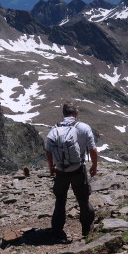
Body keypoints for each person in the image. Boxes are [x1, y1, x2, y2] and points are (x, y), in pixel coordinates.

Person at [45, 102, 97, 240]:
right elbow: (92, 149)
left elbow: (48, 151)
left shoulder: (54, 129)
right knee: (83, 199)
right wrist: (94, 166)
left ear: (63, 114)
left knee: (60, 199)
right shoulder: (84, 128)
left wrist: (51, 167)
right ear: (76, 114)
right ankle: (86, 229)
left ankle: (57, 231)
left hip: (61, 170)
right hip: (78, 169)